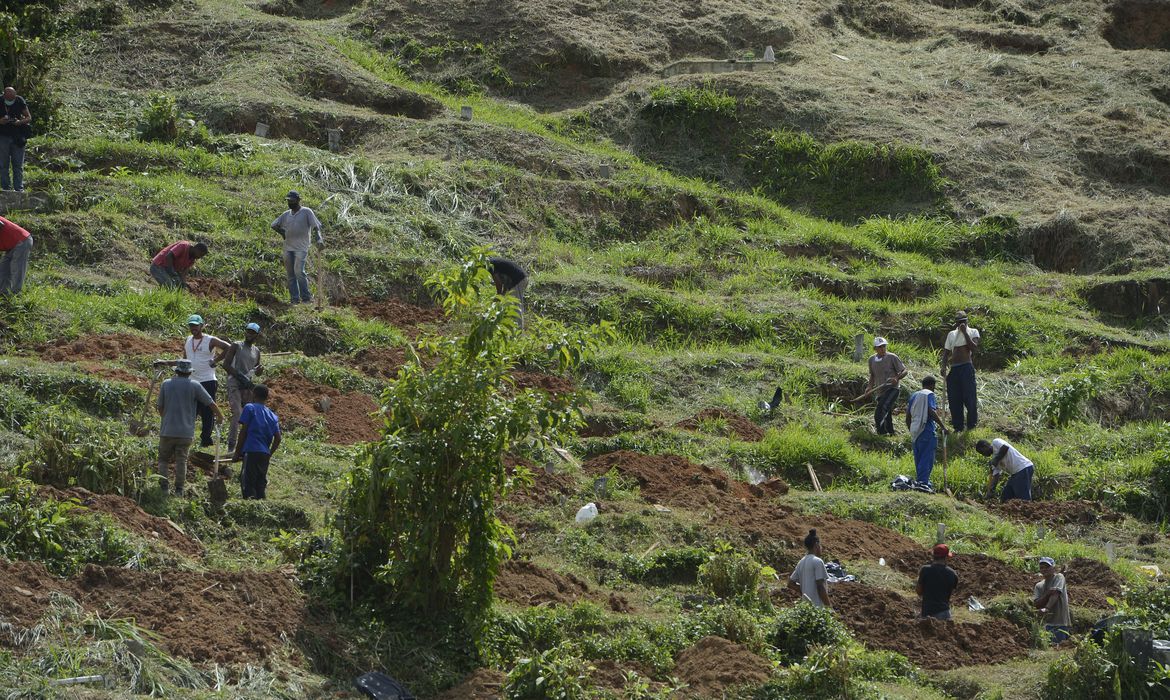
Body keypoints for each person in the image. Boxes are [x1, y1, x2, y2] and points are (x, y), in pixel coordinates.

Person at [156, 359, 223, 496]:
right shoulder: (195, 385)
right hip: (186, 433)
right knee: (181, 460)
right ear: (190, 372)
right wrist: (220, 416)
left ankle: (164, 488)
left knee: (163, 459)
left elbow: (160, 407)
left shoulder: (166, 384)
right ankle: (179, 490)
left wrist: (167, 418)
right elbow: (210, 403)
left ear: (176, 371)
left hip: (168, 430)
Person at [183, 314, 231, 448]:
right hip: (191, 380)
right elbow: (185, 357)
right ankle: (188, 436)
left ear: (202, 326)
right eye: (191, 325)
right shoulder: (188, 340)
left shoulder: (210, 340)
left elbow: (229, 347)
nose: (193, 328)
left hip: (207, 380)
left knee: (207, 410)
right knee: (191, 409)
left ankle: (205, 439)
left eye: (196, 325)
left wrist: (216, 360)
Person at [271, 190, 324, 304]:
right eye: (288, 201)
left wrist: (319, 238)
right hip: (288, 247)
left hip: (301, 247)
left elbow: (316, 226)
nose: (290, 203)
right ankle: (294, 299)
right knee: (291, 275)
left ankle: (306, 298)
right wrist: (282, 233)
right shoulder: (286, 214)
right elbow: (274, 225)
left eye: (292, 201)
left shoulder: (306, 212)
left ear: (298, 200)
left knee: (299, 271)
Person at [233, 384, 281, 499]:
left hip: (251, 450)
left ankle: (250, 506)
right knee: (260, 484)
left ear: (253, 395)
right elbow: (278, 438)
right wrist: (269, 453)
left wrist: (237, 452)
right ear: (266, 398)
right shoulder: (273, 415)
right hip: (264, 454)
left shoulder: (250, 408)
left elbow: (243, 432)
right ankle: (260, 505)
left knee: (248, 483)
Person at [221, 322, 264, 452]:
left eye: (252, 333)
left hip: (247, 386)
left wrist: (259, 370)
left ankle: (245, 446)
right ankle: (231, 446)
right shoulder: (236, 346)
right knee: (238, 413)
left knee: (250, 416)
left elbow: (256, 370)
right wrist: (240, 376)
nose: (249, 334)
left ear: (257, 335)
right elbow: (226, 365)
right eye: (248, 331)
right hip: (234, 382)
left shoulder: (256, 351)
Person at [941, 311, 981, 432]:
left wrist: (965, 332)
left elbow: (974, 348)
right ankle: (958, 427)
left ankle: (971, 425)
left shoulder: (973, 332)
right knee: (954, 399)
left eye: (963, 321)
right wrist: (943, 366)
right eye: (959, 322)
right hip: (954, 369)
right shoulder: (951, 334)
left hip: (966, 368)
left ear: (967, 321)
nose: (961, 324)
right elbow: (946, 353)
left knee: (969, 397)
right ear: (956, 323)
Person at [906, 376, 949, 487]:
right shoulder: (929, 394)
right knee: (927, 458)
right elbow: (931, 411)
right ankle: (923, 483)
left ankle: (921, 481)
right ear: (932, 385)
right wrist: (943, 426)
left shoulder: (914, 395)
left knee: (919, 458)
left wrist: (911, 429)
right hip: (926, 430)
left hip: (915, 431)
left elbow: (908, 416)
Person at [868, 336, 908, 436]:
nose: (883, 349)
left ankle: (882, 433)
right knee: (887, 412)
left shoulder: (892, 357)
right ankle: (891, 432)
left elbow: (904, 371)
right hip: (880, 391)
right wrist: (869, 387)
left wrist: (896, 378)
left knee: (881, 409)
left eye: (884, 346)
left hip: (892, 389)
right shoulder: (871, 360)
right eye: (880, 347)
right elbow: (872, 375)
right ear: (875, 349)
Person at [977, 438, 1034, 502]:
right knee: (1006, 496)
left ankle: (1028, 509)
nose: (983, 455)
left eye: (982, 452)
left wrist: (996, 459)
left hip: (1023, 468)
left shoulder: (996, 442)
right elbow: (996, 476)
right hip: (1015, 474)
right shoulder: (994, 461)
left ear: (985, 445)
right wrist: (991, 491)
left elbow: (1005, 447)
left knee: (1023, 496)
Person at [788, 529, 831, 608]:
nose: (821, 548)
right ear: (816, 545)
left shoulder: (801, 562)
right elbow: (820, 586)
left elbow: (790, 583)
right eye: (820, 546)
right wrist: (828, 606)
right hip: (818, 607)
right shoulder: (818, 562)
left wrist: (804, 591)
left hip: (806, 607)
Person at [0, 87, 32, 193]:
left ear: (15, 95)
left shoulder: (19, 100)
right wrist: (1, 121)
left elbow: (28, 117)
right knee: (3, 164)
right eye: (8, 97)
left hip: (17, 137)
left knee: (18, 165)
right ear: (4, 95)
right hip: (3, 136)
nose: (10, 99)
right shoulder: (0, 101)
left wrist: (19, 122)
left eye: (12, 97)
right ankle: (6, 188)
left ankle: (19, 188)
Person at [1033, 557, 1071, 643]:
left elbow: (1055, 594)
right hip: (1046, 624)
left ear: (1053, 568)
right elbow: (1037, 604)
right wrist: (1047, 593)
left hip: (1060, 623)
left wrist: (1047, 608)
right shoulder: (1039, 586)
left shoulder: (1059, 577)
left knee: (1059, 649)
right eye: (1042, 567)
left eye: (1047, 567)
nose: (1044, 569)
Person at [916, 544, 959, 620]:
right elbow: (949, 594)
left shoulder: (925, 570)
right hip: (944, 613)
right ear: (946, 557)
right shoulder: (952, 574)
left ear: (933, 556)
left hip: (927, 612)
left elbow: (919, 591)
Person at [488, 257, 528, 327]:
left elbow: (498, 282)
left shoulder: (489, 265)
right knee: (509, 305)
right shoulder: (493, 262)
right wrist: (503, 293)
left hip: (518, 280)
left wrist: (498, 295)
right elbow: (506, 277)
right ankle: (512, 329)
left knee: (516, 307)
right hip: (518, 280)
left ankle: (519, 333)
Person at [0, 214, 33, 296]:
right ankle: (4, 295)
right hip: (11, 245)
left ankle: (16, 295)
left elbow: (1, 224)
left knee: (17, 269)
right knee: (3, 270)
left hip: (21, 240)